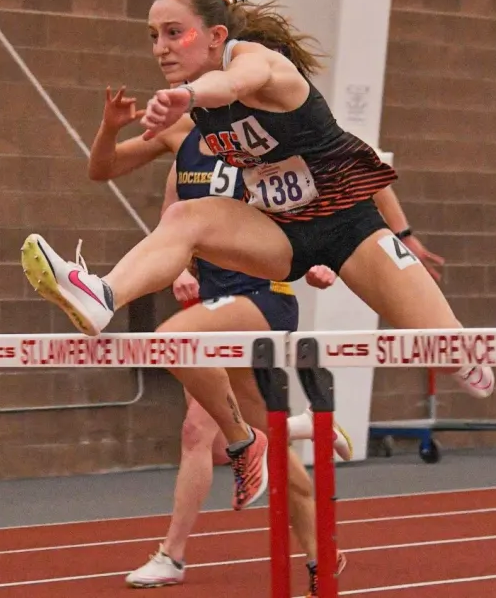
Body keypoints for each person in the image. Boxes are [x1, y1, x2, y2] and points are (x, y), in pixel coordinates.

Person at [19, 0, 495, 512]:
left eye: (174, 33)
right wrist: (181, 102)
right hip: (281, 233)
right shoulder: (196, 102)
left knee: (451, 350)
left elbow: (235, 83)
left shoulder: (255, 62)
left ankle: (459, 350)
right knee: (186, 217)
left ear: (216, 34)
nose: (160, 48)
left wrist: (188, 97)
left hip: (348, 229)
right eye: (153, 36)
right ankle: (102, 295)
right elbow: (104, 168)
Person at [86, 86, 351, 593]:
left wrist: (325, 262)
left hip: (261, 299)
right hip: (214, 301)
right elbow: (102, 170)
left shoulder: (267, 139)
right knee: (261, 434)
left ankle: (245, 443)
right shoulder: (180, 132)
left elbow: (320, 203)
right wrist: (109, 128)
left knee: (170, 345)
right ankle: (321, 552)